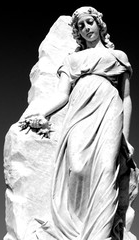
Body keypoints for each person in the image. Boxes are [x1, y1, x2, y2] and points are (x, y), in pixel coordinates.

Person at [20, 6, 138, 240]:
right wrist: (40, 113)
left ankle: (100, 234)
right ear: (77, 32)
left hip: (108, 111)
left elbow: (125, 97)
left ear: (99, 24)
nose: (86, 28)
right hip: (79, 112)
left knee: (106, 170)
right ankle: (73, 230)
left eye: (89, 22)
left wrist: (125, 136)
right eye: (81, 26)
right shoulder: (72, 59)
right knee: (77, 167)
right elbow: (62, 95)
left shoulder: (117, 57)